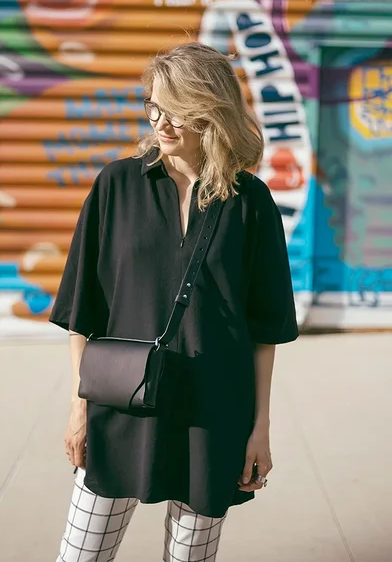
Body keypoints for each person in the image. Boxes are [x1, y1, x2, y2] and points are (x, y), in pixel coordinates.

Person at [49, 42, 299, 562]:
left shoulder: (251, 202)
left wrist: (260, 429)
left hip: (214, 414)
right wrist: (79, 407)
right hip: (121, 405)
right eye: (154, 107)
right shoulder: (116, 185)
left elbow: (264, 331)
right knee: (80, 555)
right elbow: (81, 311)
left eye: (177, 111)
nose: (162, 123)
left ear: (212, 111)